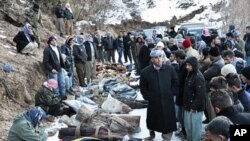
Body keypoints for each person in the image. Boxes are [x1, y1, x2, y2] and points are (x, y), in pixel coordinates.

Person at [140, 49, 178, 140]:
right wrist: (148, 96)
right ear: (152, 60)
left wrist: (171, 92)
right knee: (153, 119)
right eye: (156, 57)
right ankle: (152, 134)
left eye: (160, 57)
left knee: (167, 119)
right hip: (154, 101)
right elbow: (143, 87)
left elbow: (175, 81)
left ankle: (166, 137)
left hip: (167, 100)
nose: (159, 59)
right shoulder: (145, 72)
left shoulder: (169, 69)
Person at [183, 56, 206, 141]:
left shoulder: (198, 77)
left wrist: (194, 107)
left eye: (189, 65)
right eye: (186, 65)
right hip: (188, 106)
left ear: (194, 65)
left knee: (195, 130)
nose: (187, 67)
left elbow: (200, 94)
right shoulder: (190, 74)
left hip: (195, 108)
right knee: (189, 128)